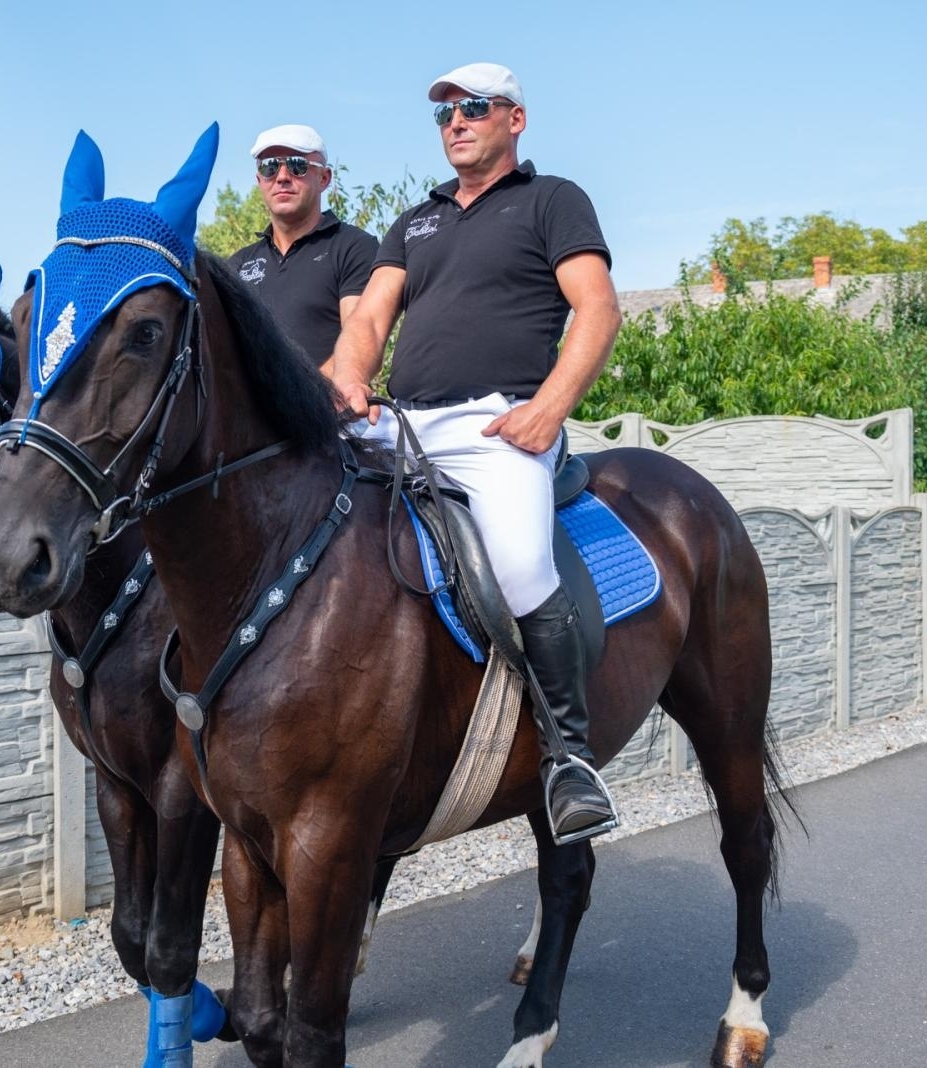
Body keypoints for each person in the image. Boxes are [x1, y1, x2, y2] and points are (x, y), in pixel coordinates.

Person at [327, 63, 624, 841]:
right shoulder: (414, 221)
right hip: (403, 425)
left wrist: (550, 408)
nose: (457, 122)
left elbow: (597, 308)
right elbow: (368, 321)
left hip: (501, 427)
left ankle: (568, 757)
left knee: (524, 567)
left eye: (475, 108)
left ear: (515, 119)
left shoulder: (552, 200)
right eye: (445, 114)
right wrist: (350, 376)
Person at [227, 124, 377, 365]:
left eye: (297, 165)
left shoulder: (353, 247)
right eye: (270, 167)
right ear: (259, 180)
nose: (282, 177)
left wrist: (305, 400)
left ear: (324, 178)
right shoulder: (237, 265)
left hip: (326, 402)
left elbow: (361, 344)